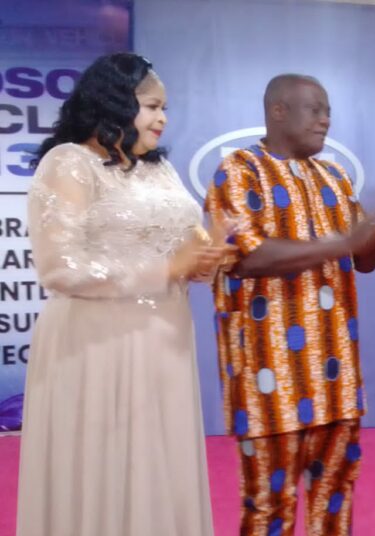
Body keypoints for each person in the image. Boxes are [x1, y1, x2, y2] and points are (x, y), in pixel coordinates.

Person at [16, 52, 232, 536]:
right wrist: (166, 269)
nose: (163, 119)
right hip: (96, 346)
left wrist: (207, 259)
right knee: (101, 467)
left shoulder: (161, 171)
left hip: (164, 342)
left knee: (159, 464)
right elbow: (58, 267)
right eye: (152, 106)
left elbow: (185, 247)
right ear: (114, 102)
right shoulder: (69, 162)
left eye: (165, 109)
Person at [204, 73, 375, 535]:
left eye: (328, 110)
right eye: (314, 109)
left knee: (335, 503)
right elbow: (250, 256)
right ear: (278, 111)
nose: (326, 119)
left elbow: (363, 260)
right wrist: (344, 240)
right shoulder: (238, 171)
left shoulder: (335, 177)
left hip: (336, 382)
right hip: (269, 384)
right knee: (268, 509)